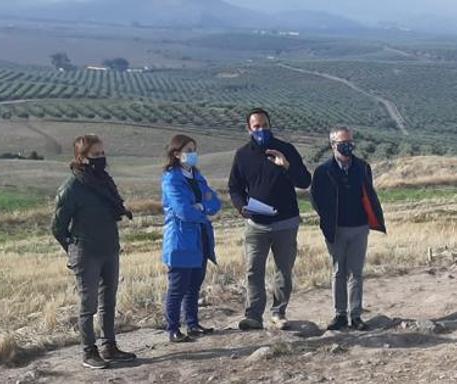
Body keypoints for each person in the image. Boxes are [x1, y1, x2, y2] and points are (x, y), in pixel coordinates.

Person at [51, 134, 137, 369]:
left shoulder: (104, 182)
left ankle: (110, 346)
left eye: (102, 153)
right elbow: (57, 227)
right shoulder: (72, 187)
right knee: (88, 305)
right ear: (81, 157)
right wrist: (73, 248)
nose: (101, 158)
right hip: (86, 251)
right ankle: (89, 351)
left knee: (108, 301)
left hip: (109, 247)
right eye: (95, 155)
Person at [227, 108, 312, 330]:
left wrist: (287, 166)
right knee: (254, 270)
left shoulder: (286, 149)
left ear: (270, 125)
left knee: (283, 270)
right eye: (256, 126)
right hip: (256, 224)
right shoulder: (242, 155)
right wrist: (241, 206)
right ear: (249, 129)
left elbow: (304, 181)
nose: (261, 129)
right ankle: (253, 315)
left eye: (265, 125)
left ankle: (278, 312)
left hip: (286, 222)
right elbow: (234, 187)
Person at [311, 126, 387, 331]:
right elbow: (316, 200)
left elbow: (368, 194)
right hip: (336, 229)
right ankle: (339, 315)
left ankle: (356, 315)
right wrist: (328, 219)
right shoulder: (322, 171)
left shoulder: (362, 167)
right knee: (338, 271)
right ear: (333, 145)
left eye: (350, 142)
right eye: (343, 143)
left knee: (356, 272)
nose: (348, 146)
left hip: (359, 227)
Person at [161, 134, 221, 342]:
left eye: (194, 150)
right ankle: (173, 328)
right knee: (178, 286)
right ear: (176, 154)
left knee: (195, 284)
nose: (192, 154)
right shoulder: (171, 179)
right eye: (188, 150)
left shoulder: (197, 177)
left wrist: (202, 207)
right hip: (181, 239)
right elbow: (182, 211)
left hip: (200, 237)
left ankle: (193, 323)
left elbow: (215, 202)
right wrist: (202, 211)